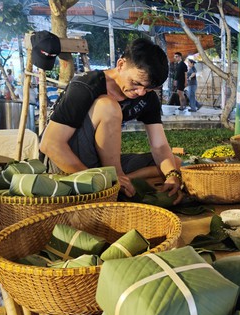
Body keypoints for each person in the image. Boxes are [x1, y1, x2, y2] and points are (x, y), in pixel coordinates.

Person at [39, 38, 183, 204]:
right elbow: (49, 144)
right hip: (63, 162)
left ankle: (120, 183)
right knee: (108, 107)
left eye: (149, 88)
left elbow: (159, 146)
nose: (141, 92)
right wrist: (98, 180)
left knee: (175, 165)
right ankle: (113, 184)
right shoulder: (86, 85)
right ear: (121, 65)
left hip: (103, 165)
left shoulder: (147, 97)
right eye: (136, 83)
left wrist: (172, 176)